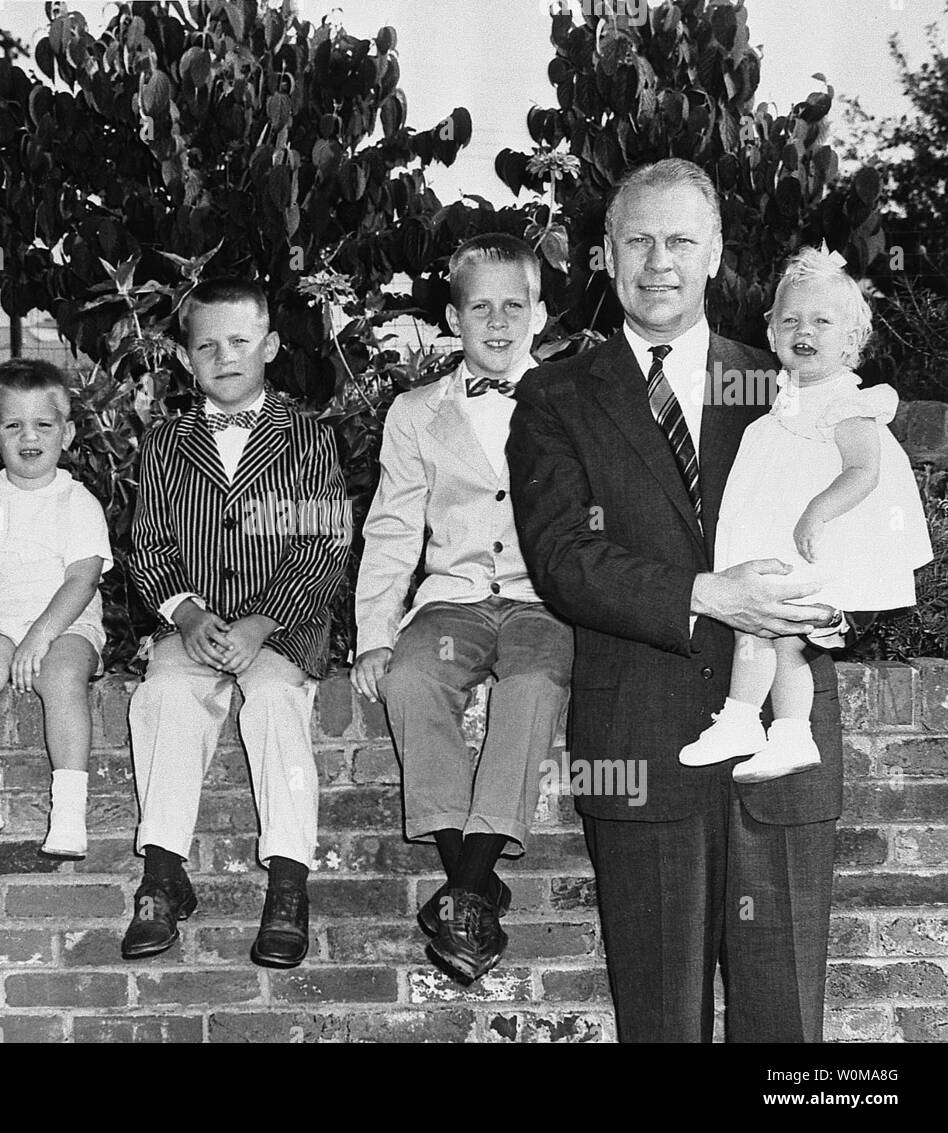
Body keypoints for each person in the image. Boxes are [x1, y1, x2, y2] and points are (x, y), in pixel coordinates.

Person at [507, 159, 843, 1043]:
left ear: (717, 254)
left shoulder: (783, 383)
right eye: (640, 240)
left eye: (682, 240)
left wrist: (837, 601)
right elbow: (562, 558)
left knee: (788, 1040)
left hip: (782, 741)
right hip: (642, 749)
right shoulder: (553, 396)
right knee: (659, 1027)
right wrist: (711, 595)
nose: (660, 261)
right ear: (606, 255)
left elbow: (847, 522)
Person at [352, 234, 573, 983]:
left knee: (535, 686)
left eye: (515, 305)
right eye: (481, 306)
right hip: (456, 601)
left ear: (539, 314)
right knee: (412, 680)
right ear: (454, 318)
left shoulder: (574, 400)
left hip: (544, 601)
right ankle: (475, 884)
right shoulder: (417, 411)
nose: (499, 321)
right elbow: (390, 528)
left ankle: (467, 887)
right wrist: (374, 634)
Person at [122, 277, 349, 968]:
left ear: (271, 346)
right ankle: (162, 873)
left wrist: (261, 620)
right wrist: (186, 612)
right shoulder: (165, 443)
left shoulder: (306, 437)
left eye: (241, 341)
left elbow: (325, 540)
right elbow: (149, 543)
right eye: (207, 345)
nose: (226, 355)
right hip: (192, 624)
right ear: (187, 360)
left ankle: (287, 882)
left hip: (281, 623)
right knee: (162, 695)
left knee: (277, 702)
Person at [681, 248, 931, 782]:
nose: (805, 330)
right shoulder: (780, 398)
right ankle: (755, 723)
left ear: (851, 341)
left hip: (823, 545)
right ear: (772, 336)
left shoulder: (848, 402)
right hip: (776, 545)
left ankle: (780, 728)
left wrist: (816, 513)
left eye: (822, 321)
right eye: (791, 320)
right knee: (760, 629)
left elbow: (865, 470)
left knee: (786, 636)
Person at [0, 359, 111, 859]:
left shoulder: (76, 501)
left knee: (60, 676)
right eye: (13, 425)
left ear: (68, 432)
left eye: (43, 424)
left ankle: (69, 808)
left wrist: (41, 635)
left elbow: (83, 578)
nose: (28, 436)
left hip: (66, 625)